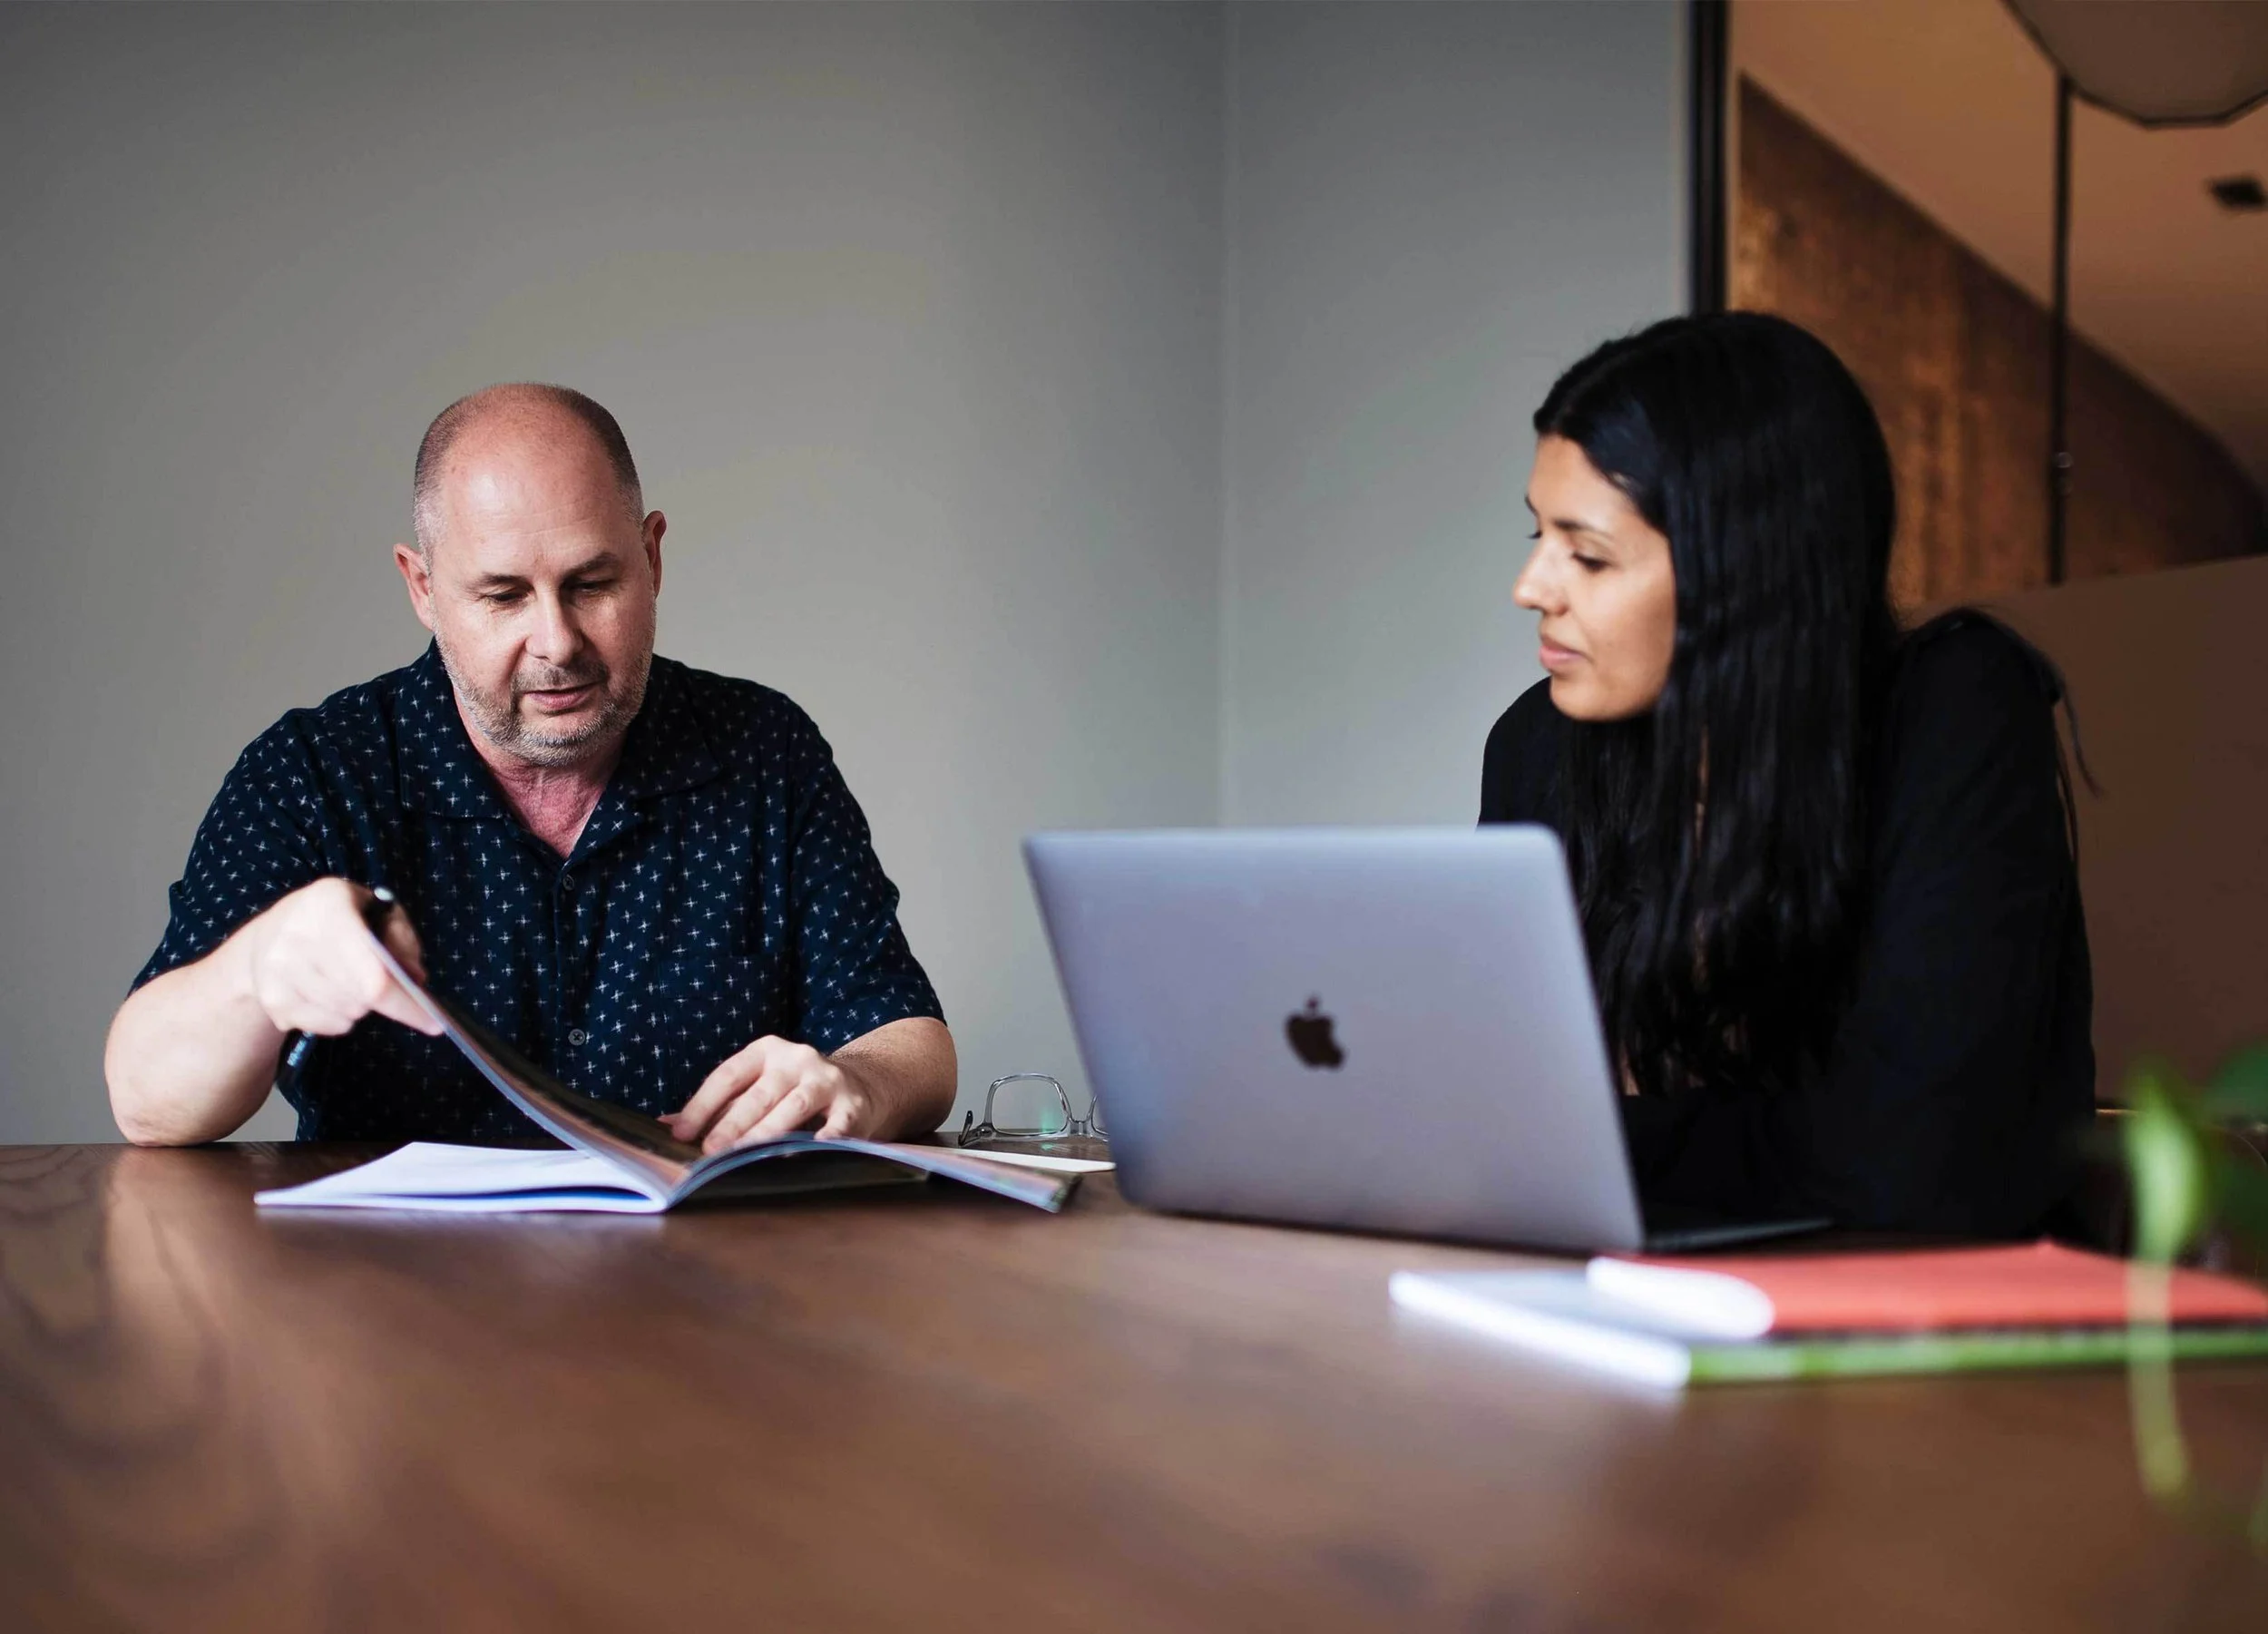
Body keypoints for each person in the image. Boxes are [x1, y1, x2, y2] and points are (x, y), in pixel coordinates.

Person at [106, 385, 955, 1150]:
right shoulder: (315, 772)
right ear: (423, 587)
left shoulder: (764, 748)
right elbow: (146, 1099)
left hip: (707, 1293)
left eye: (591, 584)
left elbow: (909, 1038)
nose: (556, 642)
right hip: (388, 1299)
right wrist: (260, 972)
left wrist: (855, 1085)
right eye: (503, 596)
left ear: (652, 558)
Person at [1482, 312, 2093, 1237]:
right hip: (1623, 1294)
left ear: (1742, 571)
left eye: (1588, 553)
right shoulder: (1539, 742)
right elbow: (1494, 1125)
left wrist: (1602, 1138)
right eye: (1537, 536)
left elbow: (1914, 1156)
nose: (1531, 586)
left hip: (1907, 1335)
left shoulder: (1951, 711)